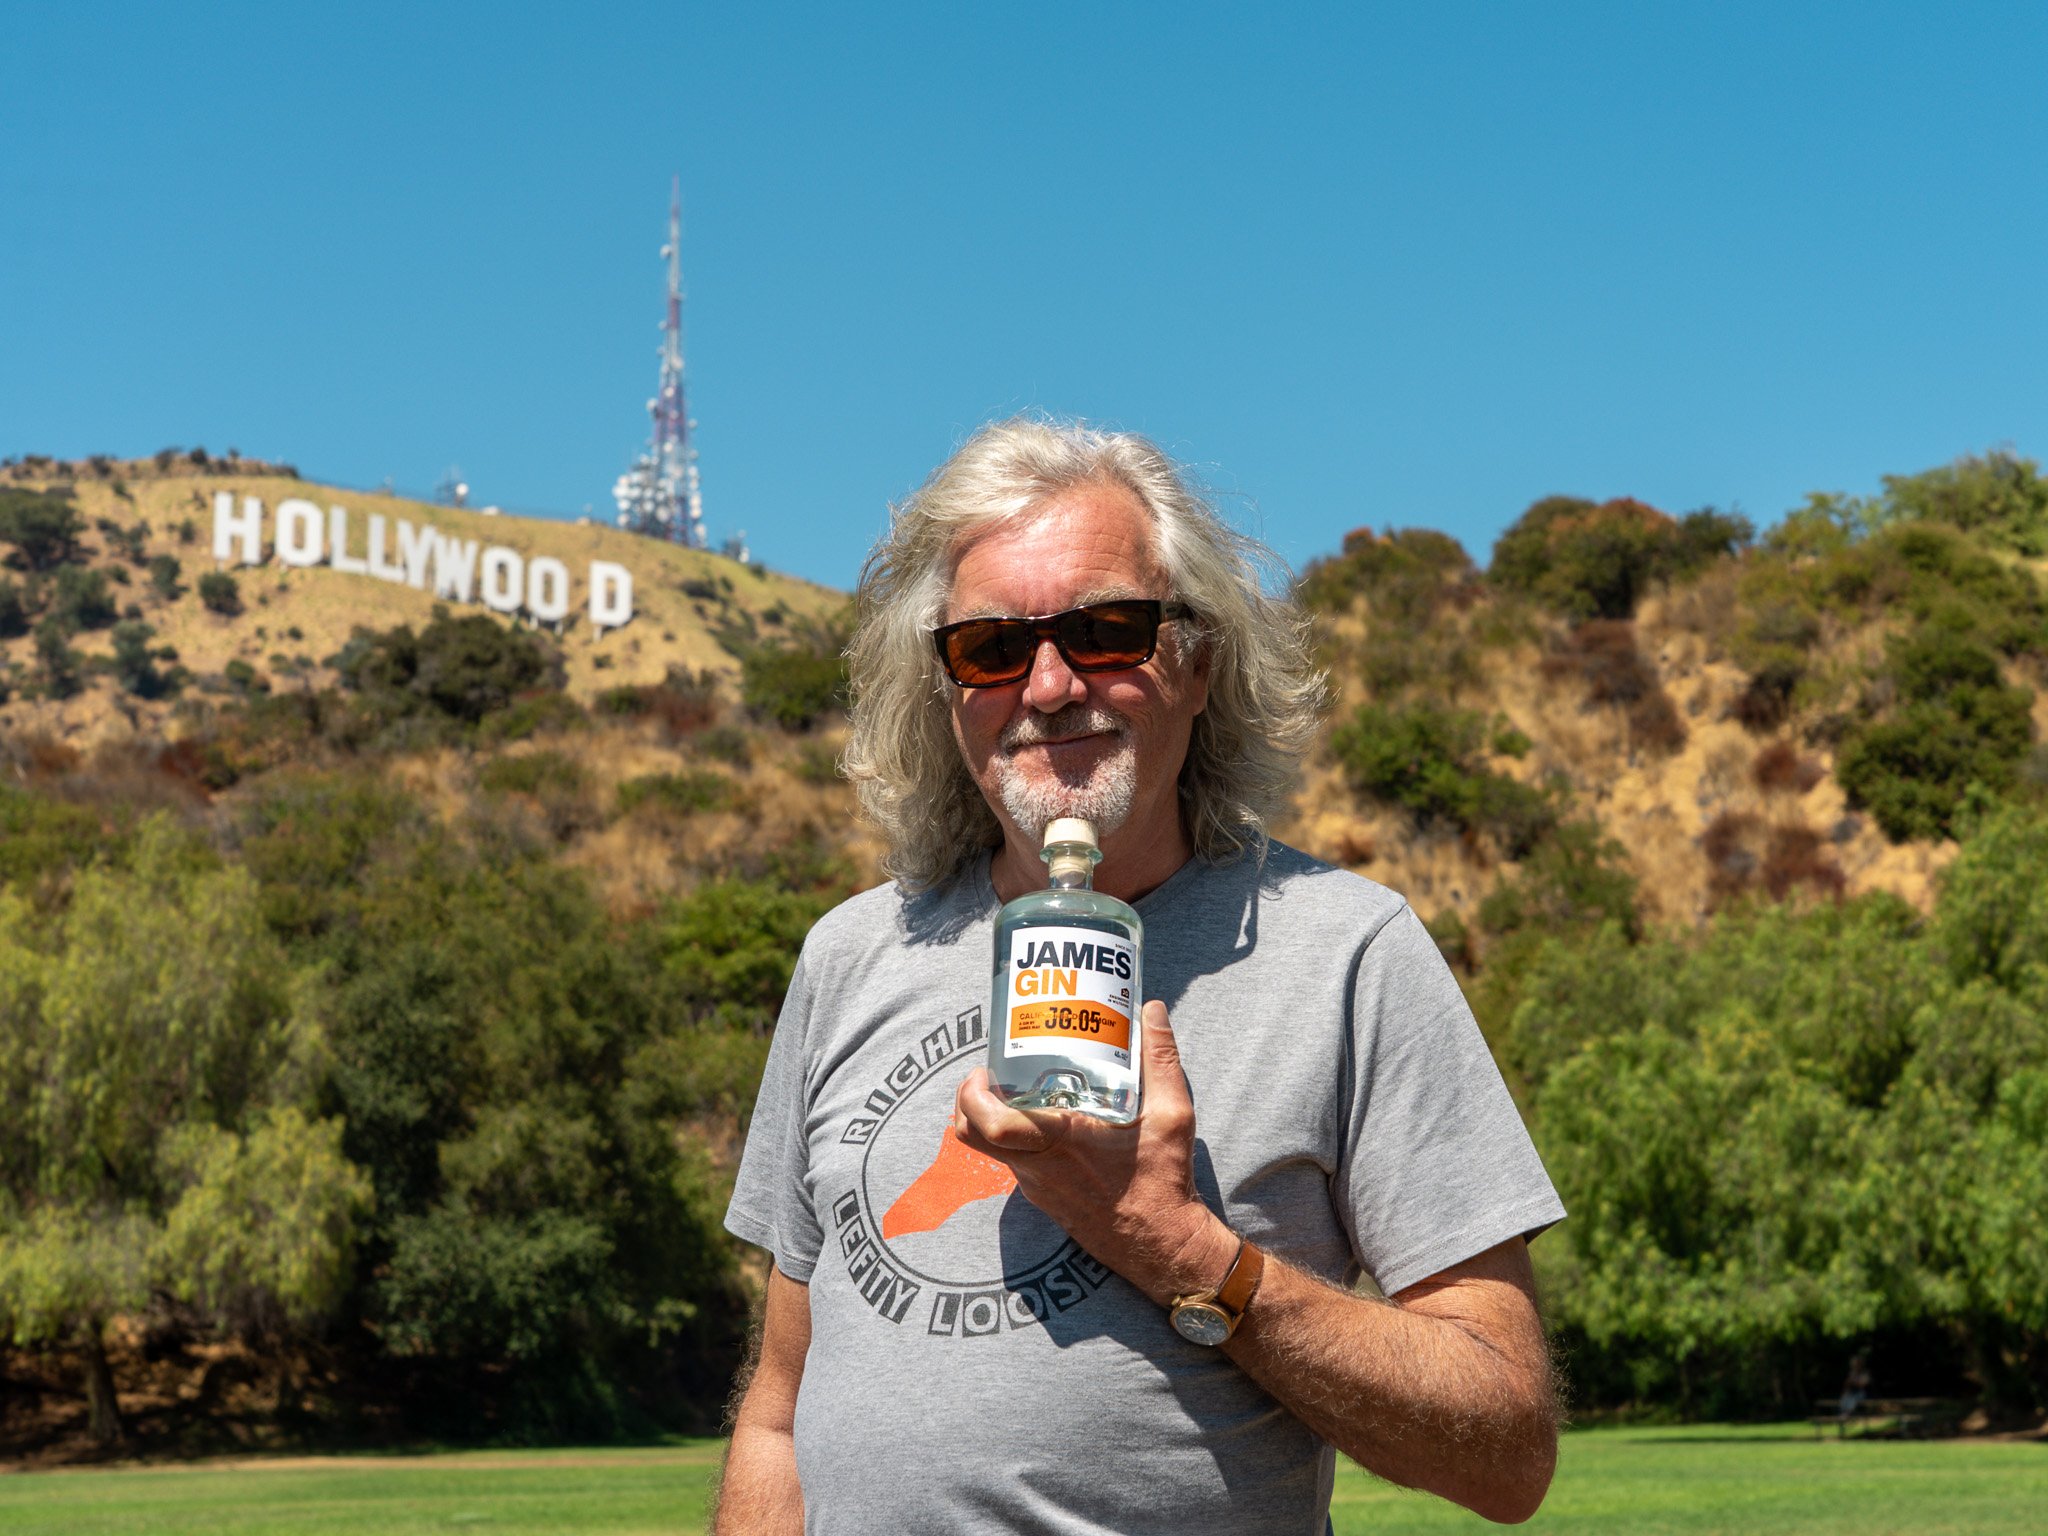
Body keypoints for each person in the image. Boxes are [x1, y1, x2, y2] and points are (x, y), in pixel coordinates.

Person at [717, 418, 1566, 1534]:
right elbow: (778, 1417)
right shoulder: (851, 954)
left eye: (1108, 630)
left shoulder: (1346, 950)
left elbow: (1504, 1452)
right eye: (989, 648)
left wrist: (1181, 1249)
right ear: (942, 688)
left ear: (1199, 661)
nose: (1051, 684)